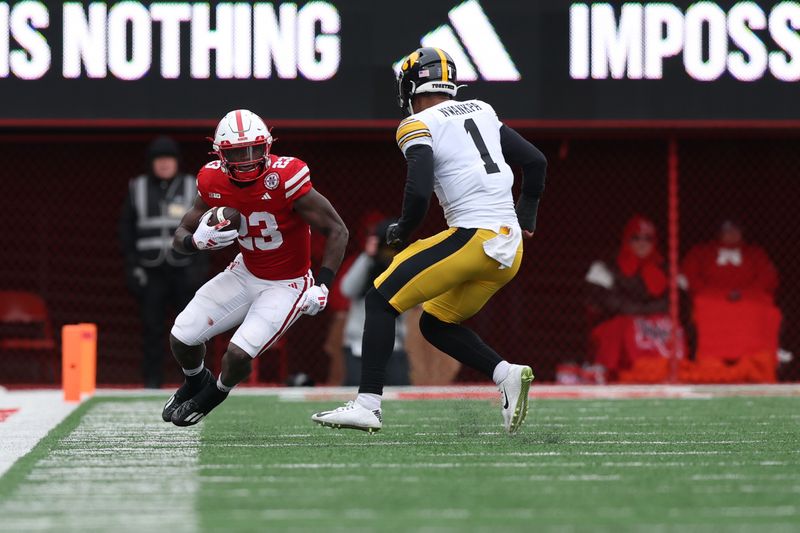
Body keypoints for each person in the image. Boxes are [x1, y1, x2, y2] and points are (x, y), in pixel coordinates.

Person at [312, 47, 547, 434]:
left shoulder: (417, 123)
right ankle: (506, 373)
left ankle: (367, 405)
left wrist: (402, 229)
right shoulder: (483, 110)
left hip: (474, 238)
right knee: (436, 323)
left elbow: (419, 191)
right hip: (510, 250)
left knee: (380, 298)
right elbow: (536, 161)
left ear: (410, 86)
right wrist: (528, 212)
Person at [161, 109, 348, 426]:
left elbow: (338, 230)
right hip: (245, 271)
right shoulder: (212, 179)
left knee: (236, 354)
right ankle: (195, 382)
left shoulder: (286, 177)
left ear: (268, 147)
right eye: (237, 152)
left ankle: (216, 393)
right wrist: (196, 242)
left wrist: (323, 284)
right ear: (221, 154)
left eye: (254, 150)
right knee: (182, 336)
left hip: (287, 284)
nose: (247, 160)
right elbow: (179, 236)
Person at [118, 136, 208, 388]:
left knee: (191, 328)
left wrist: (199, 267)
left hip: (184, 269)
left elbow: (208, 228)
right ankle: (152, 381)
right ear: (151, 163)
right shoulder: (137, 187)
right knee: (152, 328)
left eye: (169, 159)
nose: (165, 164)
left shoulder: (194, 186)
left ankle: (193, 380)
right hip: (151, 271)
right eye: (159, 160)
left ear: (177, 161)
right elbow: (126, 229)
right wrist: (133, 266)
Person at [584, 215, 684, 382]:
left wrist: (641, 313)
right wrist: (642, 313)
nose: (642, 243)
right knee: (623, 326)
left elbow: (675, 302)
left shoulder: (666, 267)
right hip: (619, 324)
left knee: (671, 325)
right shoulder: (607, 266)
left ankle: (666, 371)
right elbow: (608, 303)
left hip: (656, 324)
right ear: (627, 239)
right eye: (636, 238)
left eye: (648, 238)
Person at [680, 220, 781, 382]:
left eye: (735, 230)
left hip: (747, 299)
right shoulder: (701, 252)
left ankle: (757, 361)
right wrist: (717, 294)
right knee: (707, 306)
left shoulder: (755, 253)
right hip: (712, 300)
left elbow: (768, 278)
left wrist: (745, 294)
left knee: (761, 308)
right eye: (727, 230)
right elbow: (689, 276)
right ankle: (710, 360)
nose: (731, 234)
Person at [340, 218, 410, 386]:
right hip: (359, 345)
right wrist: (368, 256)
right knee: (358, 390)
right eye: (385, 248)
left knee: (400, 388)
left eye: (392, 248)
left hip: (394, 346)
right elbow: (347, 289)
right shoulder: (366, 264)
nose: (388, 253)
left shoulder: (403, 268)